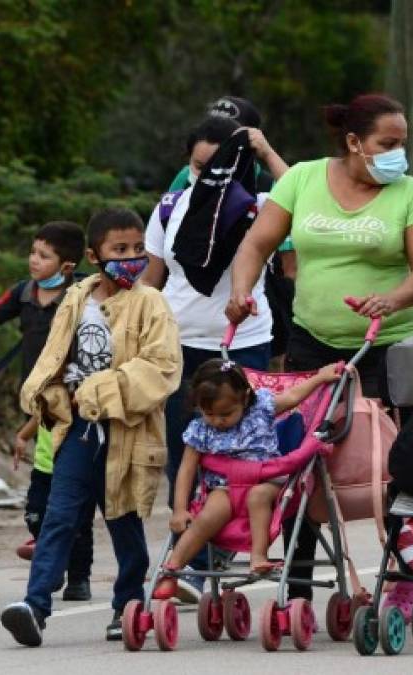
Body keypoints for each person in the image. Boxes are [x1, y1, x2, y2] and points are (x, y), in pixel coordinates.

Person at [225, 93, 413, 621]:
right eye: (386, 144)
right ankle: (298, 585)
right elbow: (256, 244)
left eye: (402, 145)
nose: (398, 155)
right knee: (303, 460)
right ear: (353, 143)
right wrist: (241, 291)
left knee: (392, 466)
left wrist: (393, 299)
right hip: (311, 342)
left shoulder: (410, 193)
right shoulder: (301, 179)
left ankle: (405, 577)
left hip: (388, 346)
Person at [0, 209, 182, 646]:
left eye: (138, 248)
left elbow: (162, 368)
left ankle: (127, 605)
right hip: (78, 428)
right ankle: (35, 605)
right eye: (120, 250)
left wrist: (100, 389)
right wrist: (47, 397)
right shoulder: (77, 297)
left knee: (122, 518)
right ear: (93, 255)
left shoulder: (150, 302)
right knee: (59, 515)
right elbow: (54, 358)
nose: (132, 257)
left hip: (127, 427)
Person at [142, 116, 286, 601]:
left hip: (243, 342)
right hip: (179, 343)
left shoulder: (262, 207)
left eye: (220, 166)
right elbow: (153, 279)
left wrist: (265, 151)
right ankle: (189, 547)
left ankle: (205, 563)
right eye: (199, 166)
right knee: (188, 450)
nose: (207, 177)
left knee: (239, 452)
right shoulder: (170, 208)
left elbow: (307, 200)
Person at [151, 359, 340, 598]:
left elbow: (292, 396)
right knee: (207, 516)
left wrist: (320, 377)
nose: (218, 420)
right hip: (224, 487)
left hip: (268, 482)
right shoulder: (200, 429)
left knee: (257, 496)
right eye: (209, 413)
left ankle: (258, 556)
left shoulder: (262, 407)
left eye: (226, 414)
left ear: (244, 398)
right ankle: (172, 568)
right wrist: (179, 509)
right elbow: (186, 469)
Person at [0, 222, 96, 600]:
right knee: (39, 504)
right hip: (37, 407)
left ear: (68, 265)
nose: (33, 260)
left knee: (76, 502)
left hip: (71, 405)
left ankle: (79, 576)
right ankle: (49, 557)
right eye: (33, 252)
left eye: (44, 255)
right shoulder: (24, 294)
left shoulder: (80, 298)